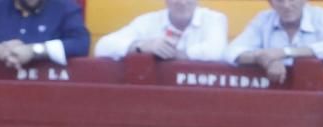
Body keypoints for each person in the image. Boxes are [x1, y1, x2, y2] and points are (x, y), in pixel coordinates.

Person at [224, 0, 323, 86]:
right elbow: (232, 51)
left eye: (292, 0)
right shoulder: (263, 20)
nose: (286, 5)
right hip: (277, 101)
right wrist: (265, 61)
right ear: (271, 3)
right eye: (280, 0)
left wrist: (285, 52)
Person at [0, 0, 90, 69]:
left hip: (51, 93)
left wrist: (33, 50)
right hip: (0, 92)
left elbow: (82, 43)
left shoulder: (64, 7)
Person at [93, 0, 227, 62]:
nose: (182, 2)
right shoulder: (147, 21)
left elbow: (216, 52)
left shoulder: (214, 19)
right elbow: (102, 46)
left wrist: (173, 54)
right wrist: (142, 46)